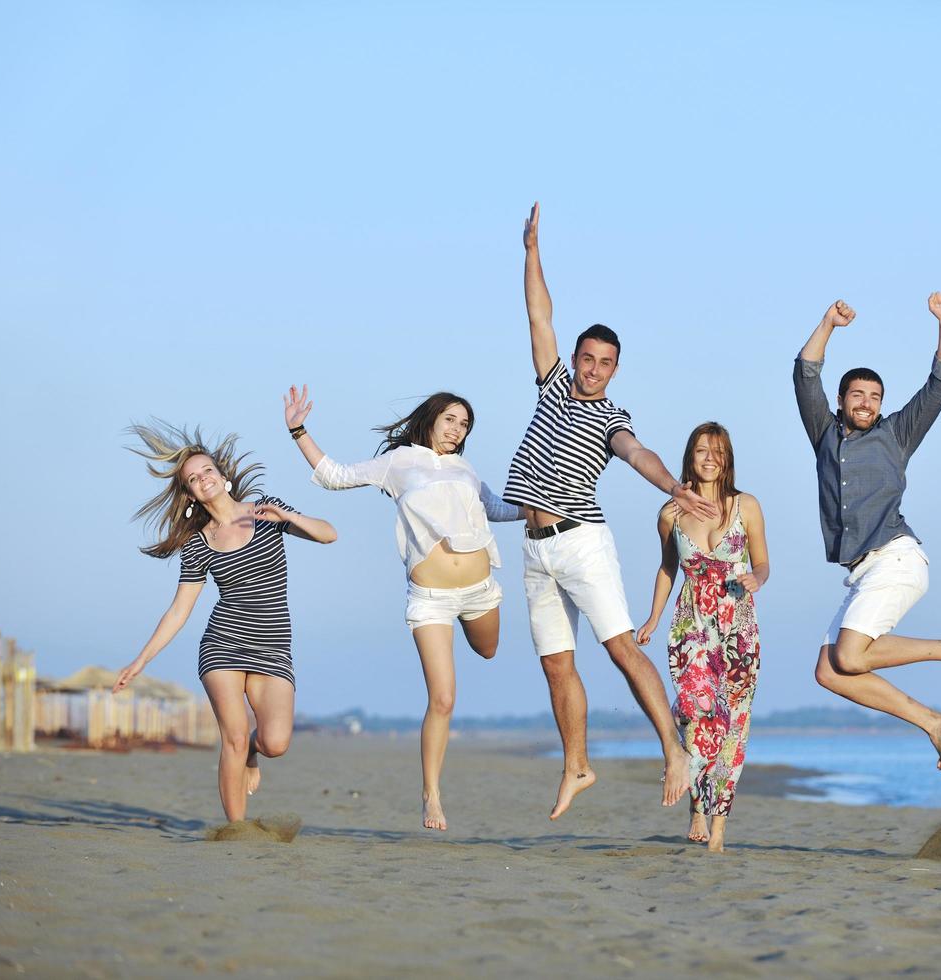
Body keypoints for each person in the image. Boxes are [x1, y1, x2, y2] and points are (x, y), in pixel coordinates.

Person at [505, 203, 722, 820]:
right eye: (587, 359)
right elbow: (539, 313)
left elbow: (638, 454)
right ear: (575, 360)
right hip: (535, 547)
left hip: (582, 542)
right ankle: (577, 764)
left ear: (615, 369)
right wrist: (531, 252)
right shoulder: (551, 384)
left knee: (622, 650)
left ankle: (675, 752)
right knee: (556, 666)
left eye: (605, 363)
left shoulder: (610, 418)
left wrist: (673, 487)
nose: (594, 370)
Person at [281, 385, 523, 831]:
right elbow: (334, 475)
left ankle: (476, 627)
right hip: (430, 599)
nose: (457, 429)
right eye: (450, 419)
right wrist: (298, 429)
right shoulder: (399, 462)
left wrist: (547, 507)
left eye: (465, 424)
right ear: (430, 418)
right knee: (444, 698)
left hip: (480, 589)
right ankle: (431, 795)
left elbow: (498, 509)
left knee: (488, 651)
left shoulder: (466, 469)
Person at [794, 295, 941, 770]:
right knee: (830, 673)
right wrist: (829, 323)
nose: (867, 403)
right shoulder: (824, 435)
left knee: (849, 655)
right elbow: (806, 372)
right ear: (843, 401)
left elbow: (939, 385)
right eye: (858, 396)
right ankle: (933, 721)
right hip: (860, 571)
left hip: (895, 558)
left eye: (874, 397)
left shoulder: (895, 435)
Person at [115, 421, 337, 822]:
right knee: (232, 738)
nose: (204, 480)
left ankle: (254, 751)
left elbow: (328, 535)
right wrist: (141, 660)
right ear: (189, 493)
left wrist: (287, 516)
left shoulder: (265, 511)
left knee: (275, 742)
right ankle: (237, 828)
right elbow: (179, 609)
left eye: (207, 472)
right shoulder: (199, 542)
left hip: (272, 646)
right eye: (194, 479)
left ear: (223, 476)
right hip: (224, 645)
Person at [636, 422, 769, 852]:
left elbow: (764, 564)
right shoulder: (670, 514)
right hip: (691, 624)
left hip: (738, 627)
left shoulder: (745, 505)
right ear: (689, 458)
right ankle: (697, 803)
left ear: (727, 458)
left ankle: (719, 825)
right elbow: (667, 568)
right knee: (697, 712)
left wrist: (756, 579)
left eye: (717, 451)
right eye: (701, 451)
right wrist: (653, 619)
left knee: (733, 725)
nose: (709, 458)